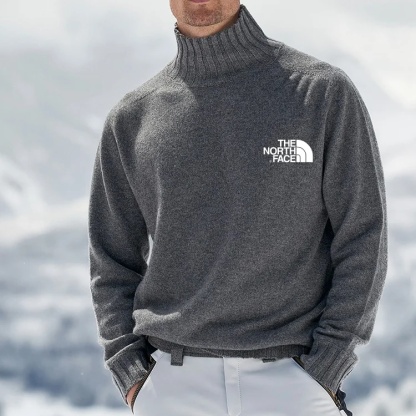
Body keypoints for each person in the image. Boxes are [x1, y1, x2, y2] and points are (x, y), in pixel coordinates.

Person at [87, 1, 388, 415]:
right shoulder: (132, 118)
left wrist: (328, 365)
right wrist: (131, 372)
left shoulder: (320, 93)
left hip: (293, 384)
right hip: (172, 388)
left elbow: (364, 235)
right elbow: (110, 259)